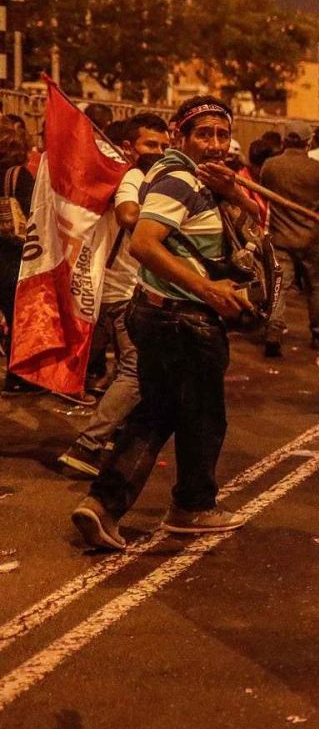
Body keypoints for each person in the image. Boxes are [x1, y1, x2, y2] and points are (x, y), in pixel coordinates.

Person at [70, 96, 262, 551]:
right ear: (181, 136)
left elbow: (257, 221)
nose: (215, 144)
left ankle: (102, 505)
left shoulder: (203, 179)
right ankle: (192, 507)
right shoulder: (177, 180)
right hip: (182, 320)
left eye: (221, 133)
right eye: (204, 134)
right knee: (203, 419)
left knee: (155, 415)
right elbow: (143, 243)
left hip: (165, 314)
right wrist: (208, 289)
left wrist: (233, 192)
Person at [58, 114, 172, 477]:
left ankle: (113, 438)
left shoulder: (130, 176)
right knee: (136, 371)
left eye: (165, 146)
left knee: (134, 370)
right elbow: (127, 216)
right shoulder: (134, 178)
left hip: (115, 288)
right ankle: (87, 446)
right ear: (128, 147)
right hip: (122, 290)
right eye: (150, 145)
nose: (159, 152)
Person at [259, 123, 319, 354]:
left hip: (281, 237)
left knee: (279, 286)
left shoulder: (270, 166)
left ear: (284, 142)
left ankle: (274, 329)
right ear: (308, 142)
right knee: (316, 286)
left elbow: (264, 192)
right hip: (312, 238)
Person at [0, 126, 36, 392]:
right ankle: (18, 377)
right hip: (12, 255)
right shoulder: (18, 175)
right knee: (19, 317)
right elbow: (33, 212)